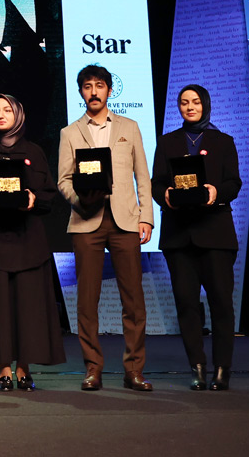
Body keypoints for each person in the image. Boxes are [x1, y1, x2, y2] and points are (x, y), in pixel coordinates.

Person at [0, 94, 65, 391]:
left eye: (7, 110)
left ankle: (23, 367)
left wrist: (33, 199)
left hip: (28, 242)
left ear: (19, 114)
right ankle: (3, 367)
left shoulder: (34, 151)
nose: (0, 115)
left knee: (27, 307)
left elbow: (50, 196)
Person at [58, 64, 154, 391]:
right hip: (87, 221)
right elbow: (63, 180)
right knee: (87, 301)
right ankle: (92, 368)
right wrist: (80, 201)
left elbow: (142, 176)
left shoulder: (130, 127)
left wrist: (146, 216)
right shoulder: (70, 133)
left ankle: (134, 369)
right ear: (81, 92)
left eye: (99, 85)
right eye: (87, 86)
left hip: (126, 220)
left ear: (109, 90)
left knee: (134, 299)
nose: (94, 91)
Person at [151, 84, 241, 391]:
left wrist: (216, 192)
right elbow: (156, 183)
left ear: (205, 104)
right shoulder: (167, 142)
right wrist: (166, 195)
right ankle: (198, 368)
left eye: (196, 102)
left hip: (216, 234)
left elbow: (234, 183)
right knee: (186, 305)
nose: (190, 107)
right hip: (179, 237)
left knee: (221, 304)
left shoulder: (224, 141)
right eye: (184, 102)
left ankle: (222, 369)